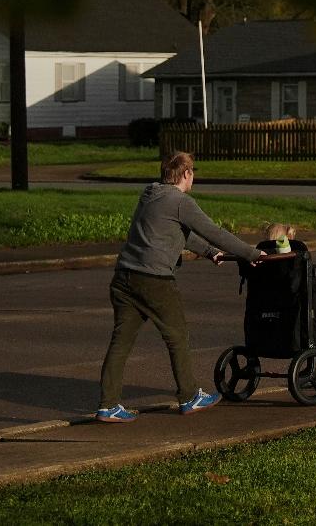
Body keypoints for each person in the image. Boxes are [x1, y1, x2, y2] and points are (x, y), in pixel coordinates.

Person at [95, 151, 265, 423]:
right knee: (177, 336)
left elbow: (177, 233)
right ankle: (189, 397)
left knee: (120, 342)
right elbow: (214, 231)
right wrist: (252, 254)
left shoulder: (150, 194)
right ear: (186, 174)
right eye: (193, 172)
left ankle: (108, 405)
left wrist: (210, 252)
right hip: (154, 280)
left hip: (124, 277)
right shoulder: (180, 201)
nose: (193, 177)